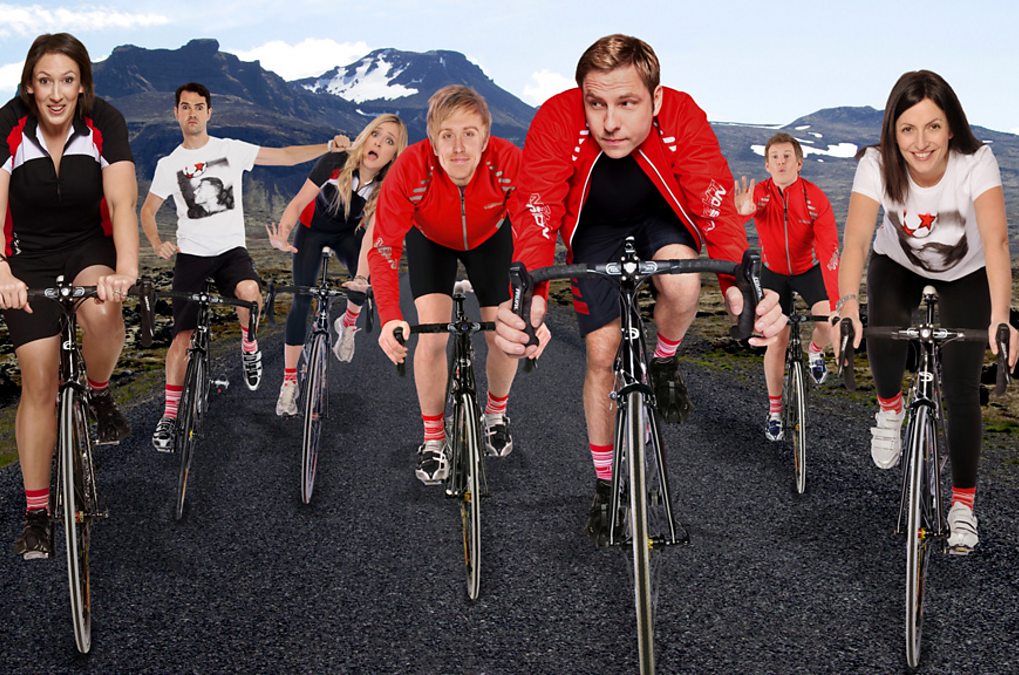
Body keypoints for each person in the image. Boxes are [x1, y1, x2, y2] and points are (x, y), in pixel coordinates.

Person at [494, 34, 787, 540]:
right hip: (594, 229)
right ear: (582, 97)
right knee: (601, 354)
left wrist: (739, 289)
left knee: (684, 279)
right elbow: (537, 212)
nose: (609, 122)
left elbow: (713, 201)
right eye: (596, 104)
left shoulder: (682, 114)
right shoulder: (557, 118)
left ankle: (665, 360)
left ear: (656, 99)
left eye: (627, 104)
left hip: (660, 217)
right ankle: (606, 485)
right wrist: (532, 300)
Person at [833, 70, 1019, 554]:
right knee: (881, 328)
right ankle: (890, 409)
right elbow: (856, 240)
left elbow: (997, 242)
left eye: (933, 126)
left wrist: (1002, 317)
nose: (921, 142)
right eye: (908, 129)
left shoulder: (976, 161)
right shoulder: (876, 164)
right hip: (897, 263)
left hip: (967, 272)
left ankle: (963, 507)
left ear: (951, 126)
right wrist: (846, 307)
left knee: (962, 388)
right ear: (893, 133)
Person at [0, 33, 138, 559]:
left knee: (104, 310)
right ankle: (37, 515)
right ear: (30, 85)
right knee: (39, 379)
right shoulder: (8, 125)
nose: (56, 92)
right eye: (45, 81)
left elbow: (122, 202)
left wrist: (127, 270)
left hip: (88, 246)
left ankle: (98, 391)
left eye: (67, 80)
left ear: (82, 85)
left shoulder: (105, 122)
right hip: (27, 258)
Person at [140, 82, 349, 451]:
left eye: (199, 107)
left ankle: (249, 344)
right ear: (175, 113)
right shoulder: (168, 165)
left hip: (231, 252)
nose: (192, 113)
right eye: (185, 107)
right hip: (191, 255)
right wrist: (157, 243)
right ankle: (170, 416)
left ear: (209, 112)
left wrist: (327, 147)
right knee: (182, 338)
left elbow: (285, 156)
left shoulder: (229, 150)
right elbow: (147, 210)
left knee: (250, 292)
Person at [370, 85, 522, 483]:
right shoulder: (410, 167)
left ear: (485, 139)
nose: (458, 147)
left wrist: (534, 305)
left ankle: (496, 414)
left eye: (469, 134)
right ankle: (433, 438)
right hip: (430, 241)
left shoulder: (508, 160)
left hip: (491, 238)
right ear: (432, 141)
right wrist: (389, 317)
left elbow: (534, 234)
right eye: (447, 135)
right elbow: (384, 247)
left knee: (505, 331)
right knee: (433, 335)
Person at [266, 114, 407, 416]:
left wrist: (360, 277)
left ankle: (348, 323)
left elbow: (372, 237)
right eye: (375, 134)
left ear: (393, 154)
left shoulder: (388, 185)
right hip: (311, 232)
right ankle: (289, 382)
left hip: (347, 235)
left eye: (388, 141)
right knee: (301, 301)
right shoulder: (335, 161)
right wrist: (283, 233)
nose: (378, 143)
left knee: (366, 278)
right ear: (365, 136)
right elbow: (299, 202)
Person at [734, 132, 839, 441]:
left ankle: (815, 350)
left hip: (808, 270)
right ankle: (775, 411)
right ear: (767, 165)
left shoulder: (815, 198)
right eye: (775, 158)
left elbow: (829, 250)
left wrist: (837, 299)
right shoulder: (759, 193)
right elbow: (736, 222)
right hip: (773, 273)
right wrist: (741, 214)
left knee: (827, 320)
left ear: (799, 163)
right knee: (778, 338)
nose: (781, 162)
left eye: (787, 157)